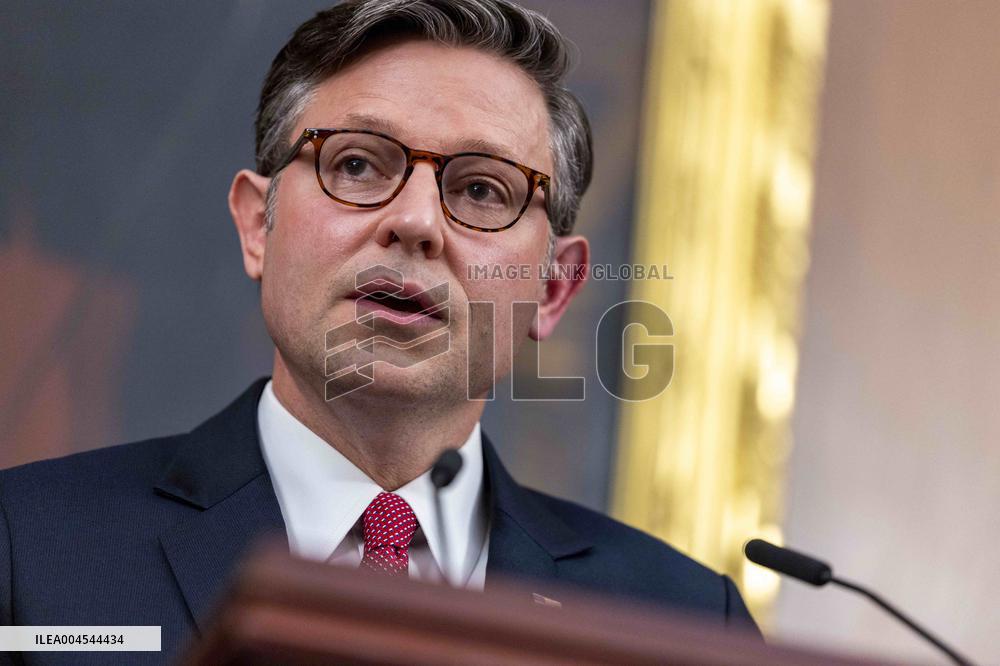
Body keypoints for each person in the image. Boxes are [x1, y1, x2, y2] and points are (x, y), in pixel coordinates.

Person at [0, 0, 758, 662]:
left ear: (553, 289)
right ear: (258, 226)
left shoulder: (686, 621)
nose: (417, 222)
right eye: (358, 165)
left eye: (482, 189)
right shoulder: (26, 549)